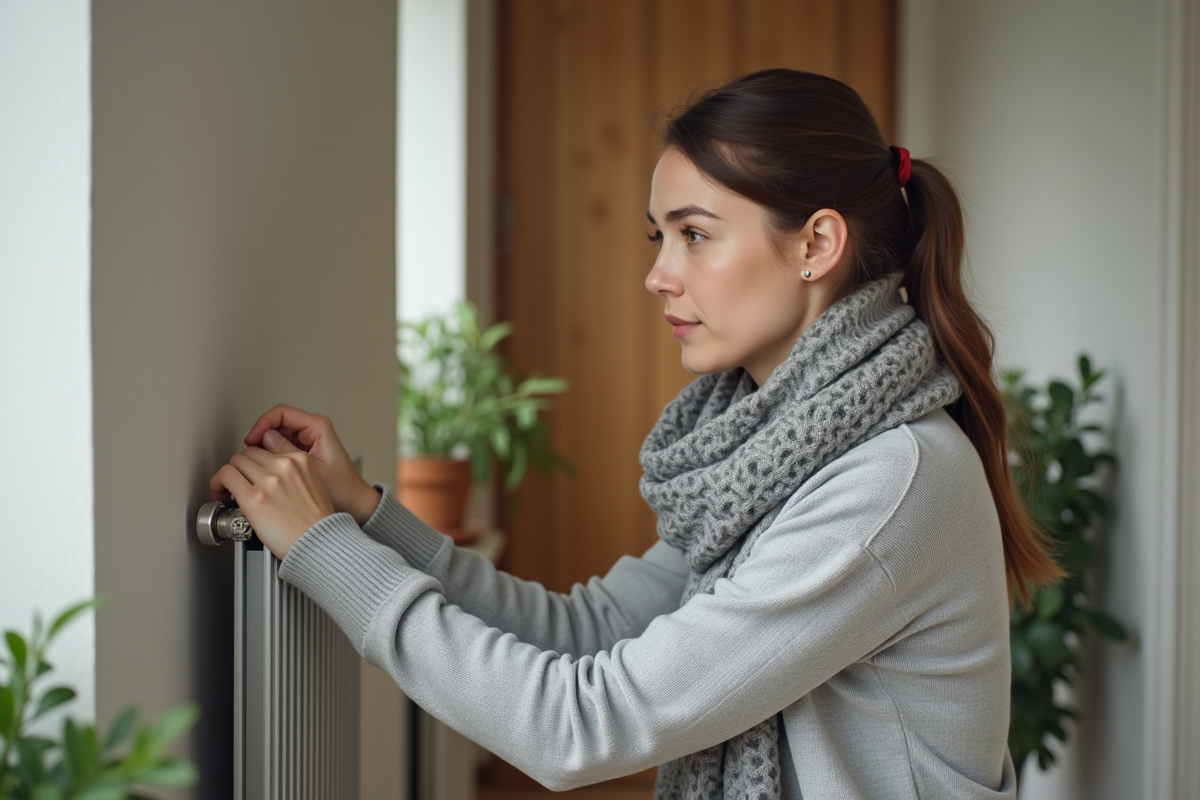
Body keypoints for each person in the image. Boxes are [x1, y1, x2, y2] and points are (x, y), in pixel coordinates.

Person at [210, 69, 1061, 800]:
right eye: (661, 237)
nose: (657, 274)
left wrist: (323, 552)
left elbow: (582, 723)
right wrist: (365, 517)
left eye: (695, 235)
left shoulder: (888, 481)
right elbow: (595, 631)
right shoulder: (771, 454)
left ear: (818, 244)